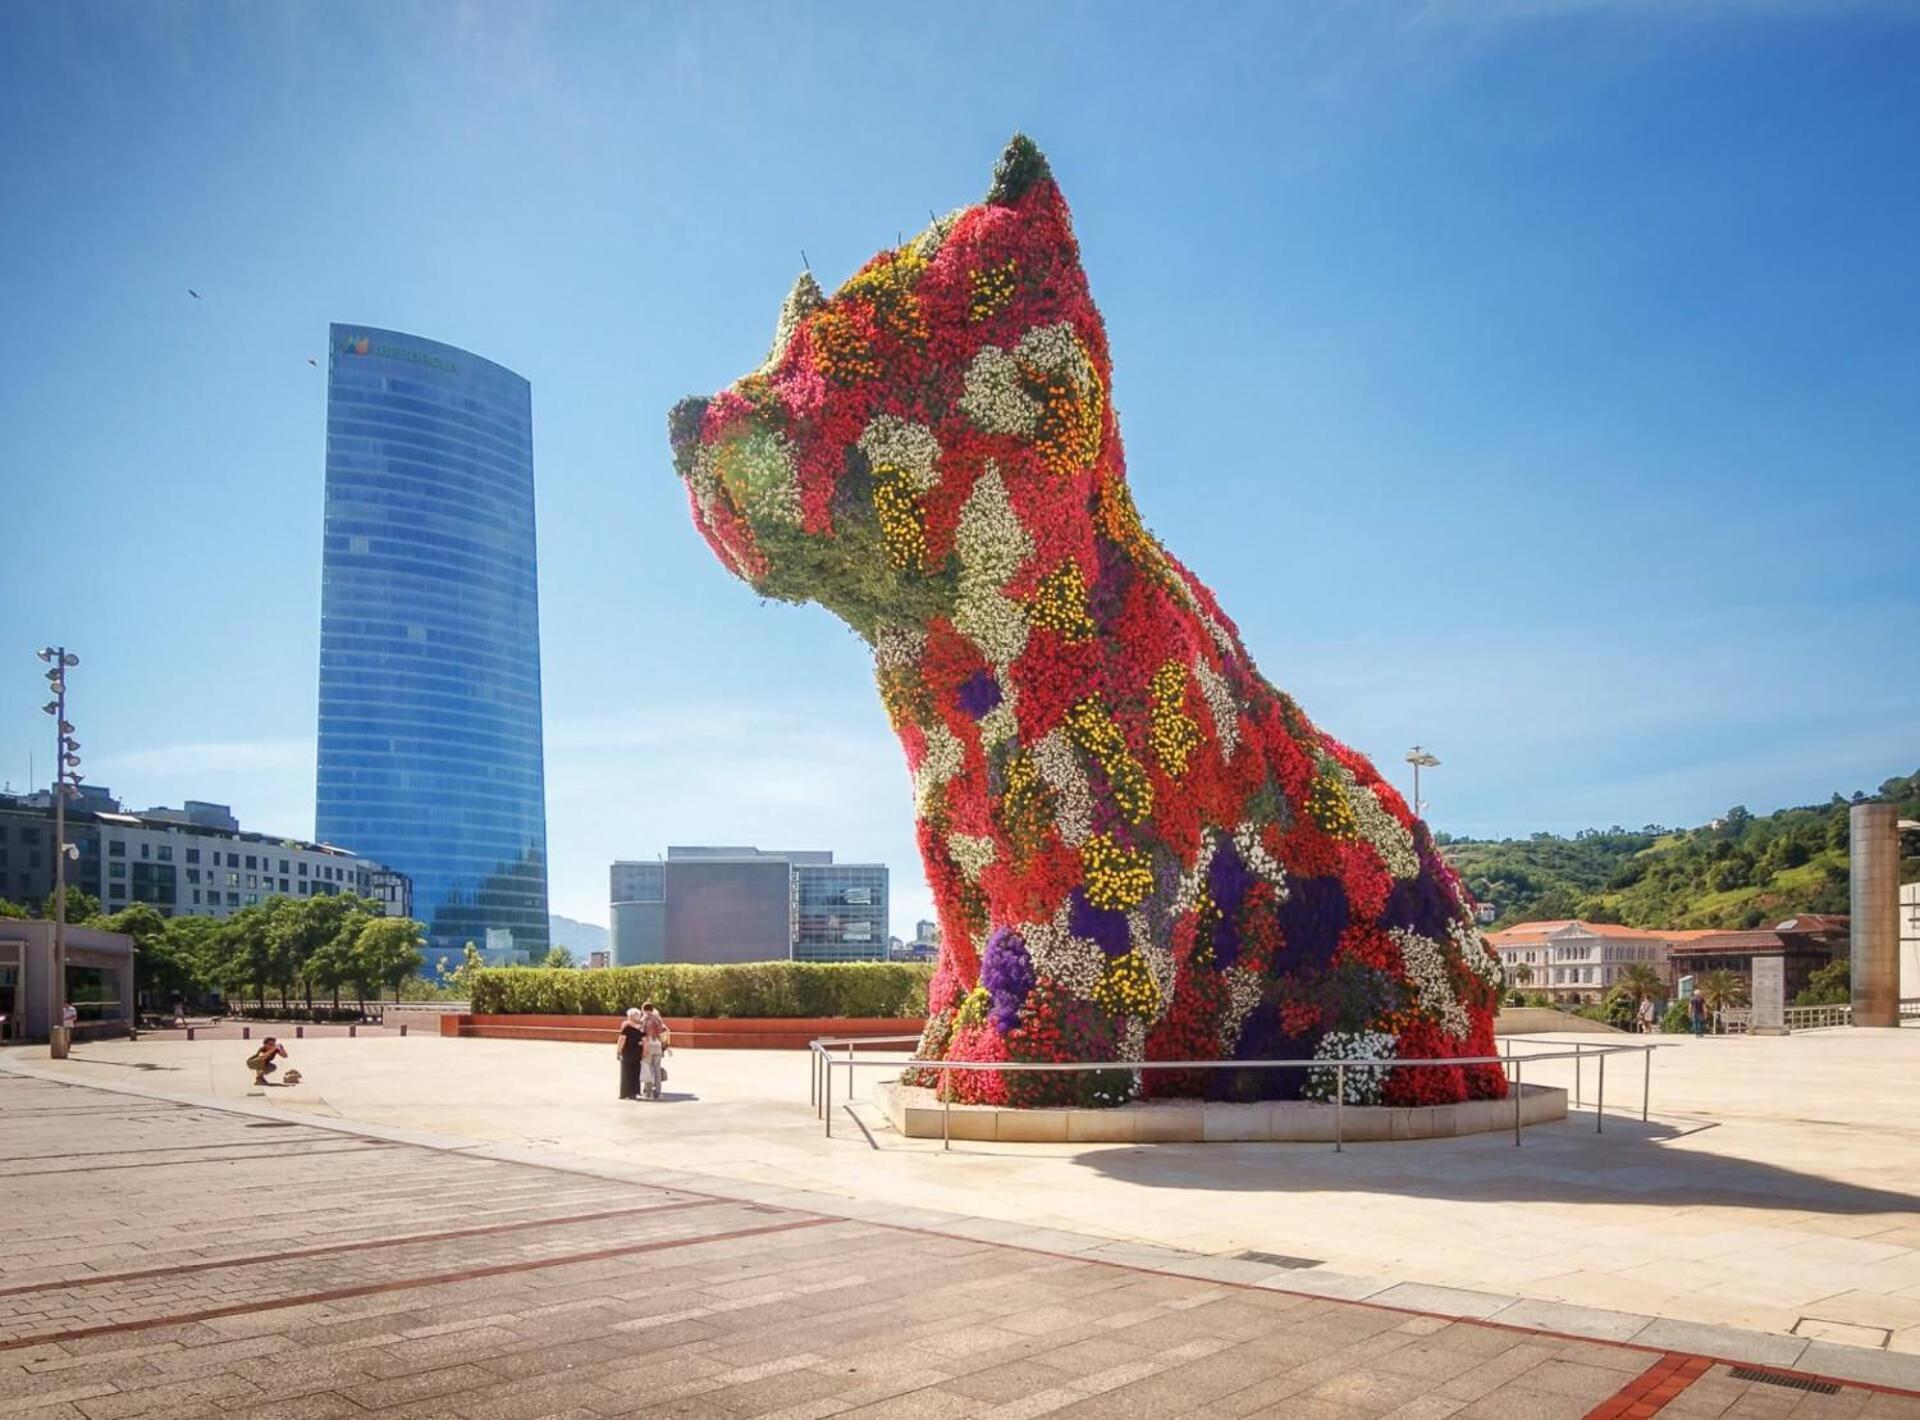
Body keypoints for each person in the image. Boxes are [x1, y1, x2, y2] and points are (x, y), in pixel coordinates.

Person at [638, 1001, 670, 1100]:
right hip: (658, 1046)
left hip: (648, 1045)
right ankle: (658, 1092)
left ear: (643, 1009)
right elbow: (663, 1033)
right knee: (657, 1069)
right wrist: (665, 1046)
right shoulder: (658, 1019)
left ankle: (648, 1092)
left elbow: (641, 1032)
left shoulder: (644, 1019)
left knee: (648, 1068)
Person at [616, 1007, 645, 1101]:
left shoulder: (627, 1027)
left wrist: (618, 1051)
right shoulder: (641, 1028)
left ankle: (624, 1093)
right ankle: (634, 1092)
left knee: (626, 1072)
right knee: (636, 1072)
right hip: (638, 1052)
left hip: (627, 1052)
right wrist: (644, 1053)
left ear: (631, 1016)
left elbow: (622, 1039)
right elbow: (645, 1041)